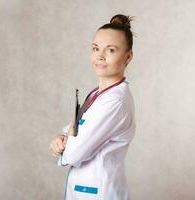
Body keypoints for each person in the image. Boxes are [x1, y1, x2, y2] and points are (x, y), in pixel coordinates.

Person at [48, 14, 136, 200]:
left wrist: (67, 145)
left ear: (128, 57)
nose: (100, 56)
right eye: (96, 48)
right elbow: (76, 131)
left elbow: (74, 153)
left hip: (100, 193)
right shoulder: (98, 94)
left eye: (110, 50)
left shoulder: (115, 101)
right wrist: (61, 138)